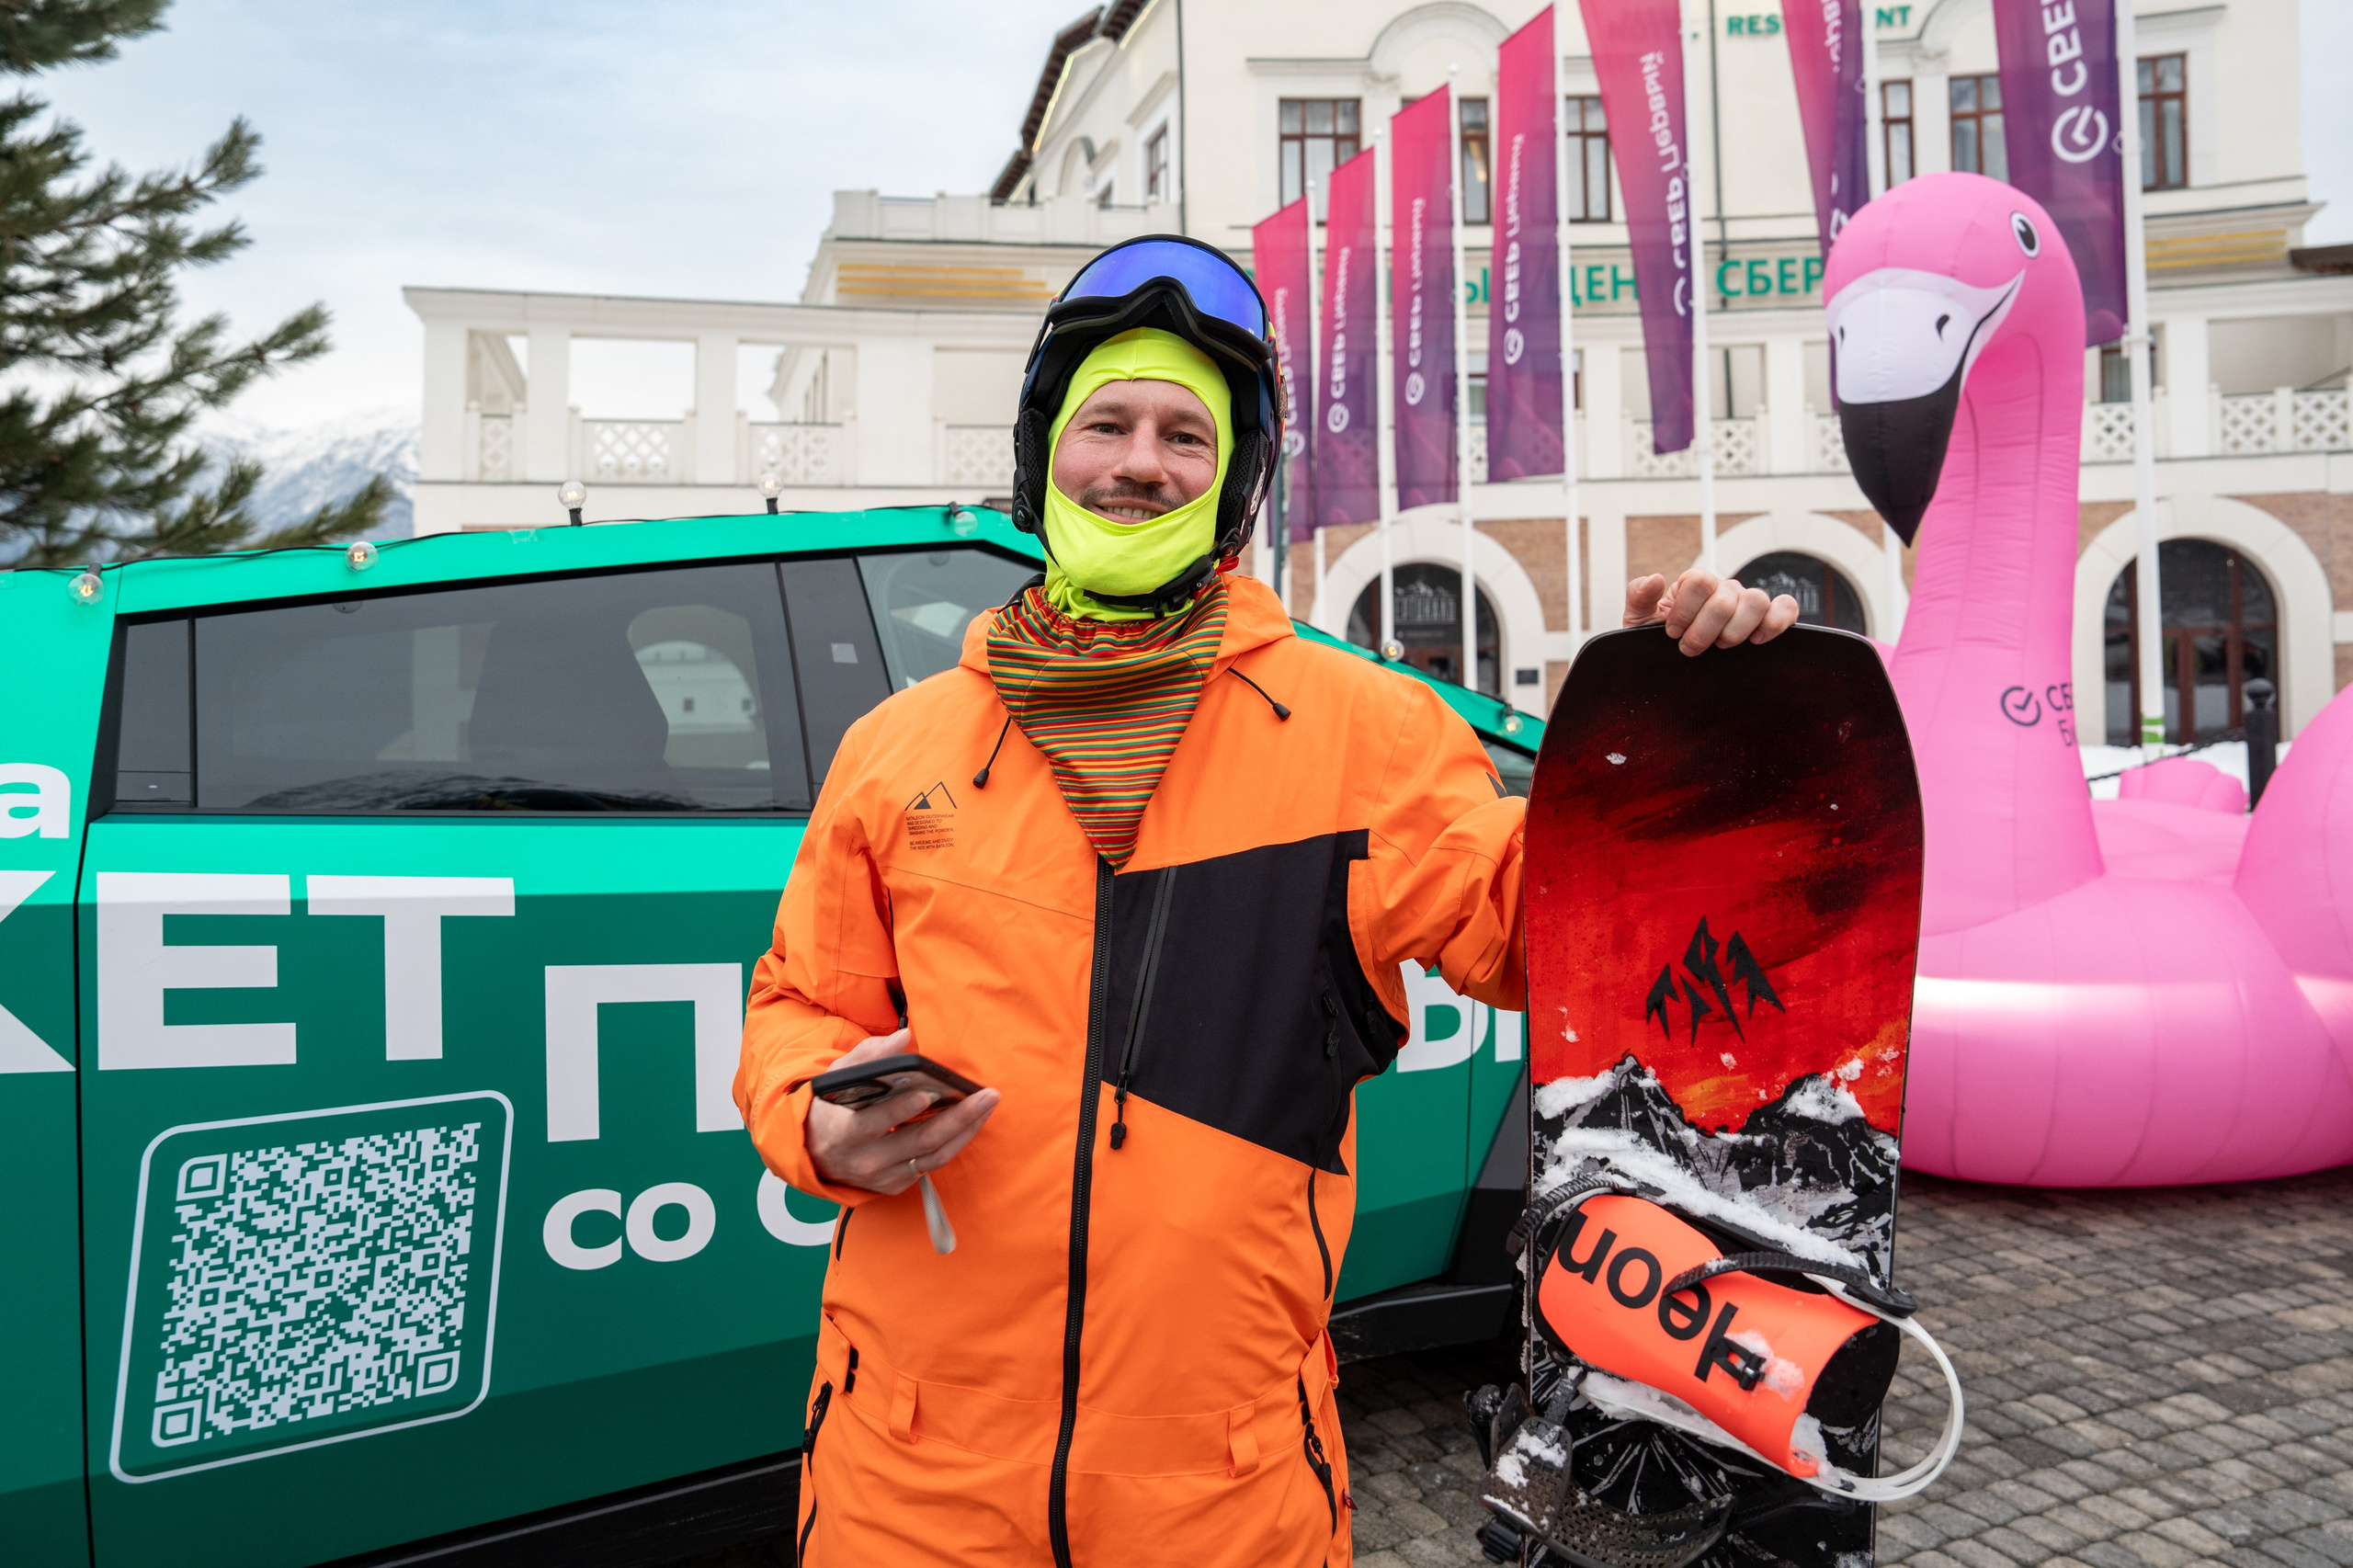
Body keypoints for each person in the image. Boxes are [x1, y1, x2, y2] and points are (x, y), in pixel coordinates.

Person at [733, 234, 1798, 1567]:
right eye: (1105, 422)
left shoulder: (1362, 730)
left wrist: (1680, 735)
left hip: (1219, 1497)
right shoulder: (899, 746)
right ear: (1044, 453)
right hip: (911, 1476)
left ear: (1232, 480)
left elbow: (1539, 932)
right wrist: (814, 1124)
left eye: (1188, 434)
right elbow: (799, 1003)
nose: (1139, 461)